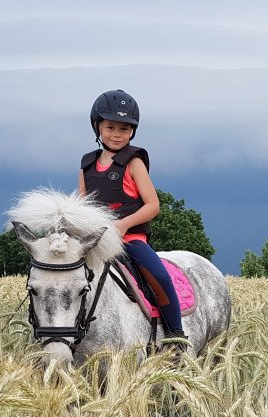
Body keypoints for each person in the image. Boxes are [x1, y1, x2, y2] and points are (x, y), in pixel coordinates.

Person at [78, 89, 187, 351]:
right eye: (111, 127)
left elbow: (153, 206)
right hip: (97, 241)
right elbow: (82, 207)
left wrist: (124, 225)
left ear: (132, 132)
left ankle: (175, 335)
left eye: (124, 129)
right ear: (98, 127)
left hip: (130, 240)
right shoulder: (86, 166)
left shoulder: (134, 162)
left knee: (159, 275)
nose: (117, 134)